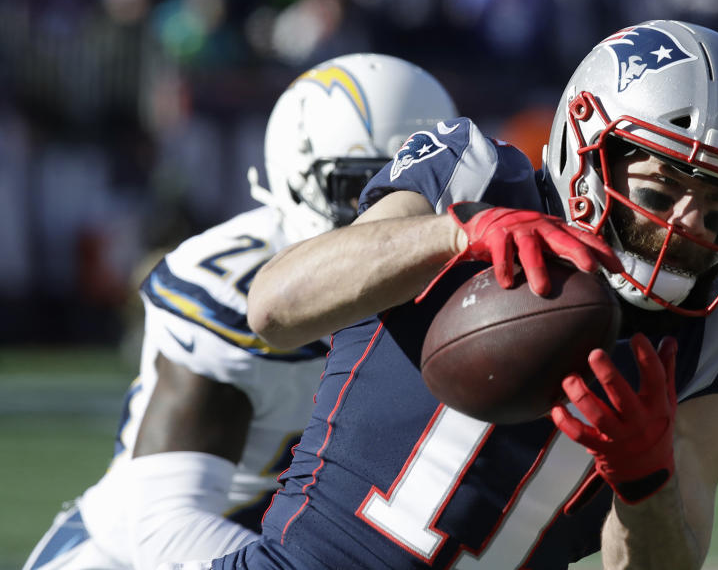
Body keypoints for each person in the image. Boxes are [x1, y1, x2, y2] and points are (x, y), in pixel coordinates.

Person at [213, 20, 718, 570]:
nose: (688, 223)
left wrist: (645, 482)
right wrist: (451, 233)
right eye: (661, 188)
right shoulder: (474, 174)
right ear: (587, 148)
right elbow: (274, 308)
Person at [22, 54, 458, 570]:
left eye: (412, 191)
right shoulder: (230, 289)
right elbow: (157, 520)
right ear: (296, 179)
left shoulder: (455, 270)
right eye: (360, 191)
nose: (389, 217)